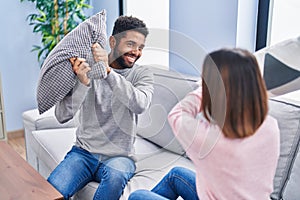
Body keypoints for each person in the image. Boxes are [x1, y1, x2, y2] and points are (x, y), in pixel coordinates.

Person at [128, 48, 280, 200]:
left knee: (138, 196)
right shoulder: (271, 127)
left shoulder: (211, 140)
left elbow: (176, 115)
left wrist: (205, 89)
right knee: (176, 175)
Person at [47, 15, 154, 200]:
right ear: (112, 41)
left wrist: (108, 72)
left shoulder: (141, 74)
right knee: (51, 192)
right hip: (83, 153)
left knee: (115, 177)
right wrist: (83, 83)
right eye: (130, 44)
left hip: (120, 158)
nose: (136, 52)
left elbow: (140, 104)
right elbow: (62, 115)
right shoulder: (86, 67)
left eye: (140, 47)